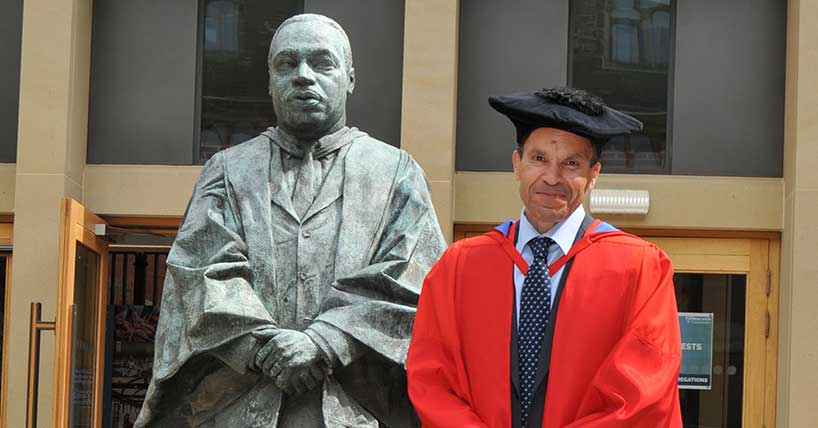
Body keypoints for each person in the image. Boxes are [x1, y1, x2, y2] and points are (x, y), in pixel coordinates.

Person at [136, 14, 446, 428]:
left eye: (322, 63)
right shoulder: (228, 172)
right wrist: (266, 347)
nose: (303, 76)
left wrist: (327, 340)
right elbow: (199, 274)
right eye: (287, 64)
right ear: (269, 81)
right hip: (242, 409)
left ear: (350, 77)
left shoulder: (395, 173)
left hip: (359, 411)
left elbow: (416, 280)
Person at [407, 87, 682, 428]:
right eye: (539, 159)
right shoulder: (460, 267)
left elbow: (642, 395)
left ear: (593, 174)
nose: (552, 178)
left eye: (571, 164)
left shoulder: (640, 269)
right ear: (516, 164)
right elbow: (431, 381)